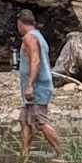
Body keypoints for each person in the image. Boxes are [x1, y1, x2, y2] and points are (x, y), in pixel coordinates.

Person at [13, 12, 62, 154]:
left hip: (37, 87)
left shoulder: (30, 38)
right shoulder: (38, 36)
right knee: (24, 120)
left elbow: (36, 61)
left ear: (20, 24)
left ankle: (61, 153)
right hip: (36, 87)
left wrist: (30, 85)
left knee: (41, 122)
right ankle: (25, 153)